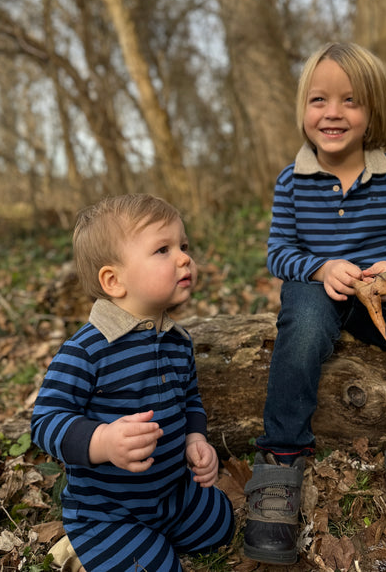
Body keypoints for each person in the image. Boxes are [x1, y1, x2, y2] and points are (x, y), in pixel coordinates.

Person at [243, 42, 386, 571]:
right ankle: (281, 460)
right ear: (303, 109)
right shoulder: (291, 181)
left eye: (350, 101)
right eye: (319, 99)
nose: (333, 113)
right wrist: (319, 268)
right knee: (305, 318)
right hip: (319, 291)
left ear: (373, 113)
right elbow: (279, 253)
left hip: (384, 295)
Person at [31, 194, 234, 572]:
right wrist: (102, 440)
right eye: (163, 249)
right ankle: (86, 546)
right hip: (109, 510)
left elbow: (189, 398)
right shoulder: (87, 349)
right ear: (114, 280)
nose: (184, 258)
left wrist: (195, 438)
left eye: (183, 246)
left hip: (171, 493)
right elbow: (45, 420)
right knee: (154, 566)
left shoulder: (177, 339)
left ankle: (163, 531)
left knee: (220, 523)